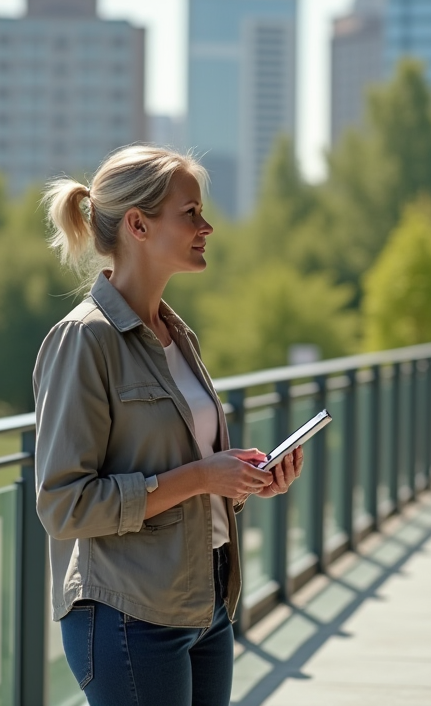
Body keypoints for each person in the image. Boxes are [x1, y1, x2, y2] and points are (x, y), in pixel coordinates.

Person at [33, 145, 305, 706]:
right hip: (129, 617)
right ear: (138, 224)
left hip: (206, 602)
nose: (206, 227)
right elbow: (64, 506)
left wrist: (243, 481)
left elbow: (184, 476)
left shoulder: (178, 337)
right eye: (190, 213)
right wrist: (204, 477)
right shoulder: (85, 340)